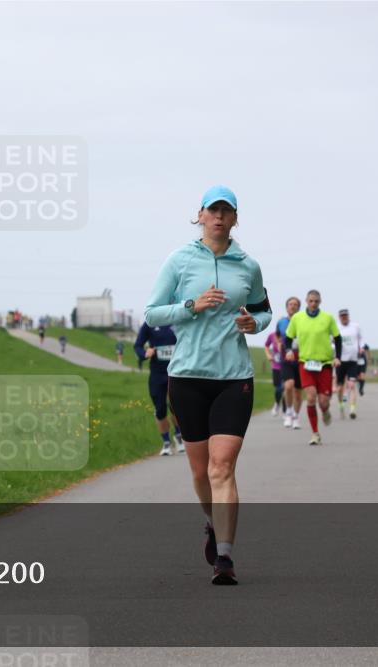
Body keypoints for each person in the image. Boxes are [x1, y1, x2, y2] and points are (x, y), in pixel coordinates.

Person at [144, 185, 272, 585]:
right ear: (199, 215)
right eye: (212, 210)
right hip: (187, 378)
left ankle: (225, 559)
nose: (219, 217)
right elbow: (151, 314)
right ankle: (213, 525)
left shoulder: (247, 265)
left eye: (226, 211)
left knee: (222, 467)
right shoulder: (179, 260)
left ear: (235, 218)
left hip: (234, 377)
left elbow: (264, 310)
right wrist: (190, 306)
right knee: (201, 473)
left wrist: (256, 324)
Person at [284, 290, 341, 445]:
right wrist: (289, 351)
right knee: (310, 397)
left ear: (320, 301)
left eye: (316, 301)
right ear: (307, 301)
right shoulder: (297, 318)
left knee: (323, 401)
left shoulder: (327, 318)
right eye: (311, 301)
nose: (313, 304)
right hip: (305, 363)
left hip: (325, 364)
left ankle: (325, 411)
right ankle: (315, 433)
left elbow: (337, 338)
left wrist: (337, 357)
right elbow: (288, 337)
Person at [133, 322, 185, 456]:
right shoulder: (150, 324)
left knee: (176, 405)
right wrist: (145, 352)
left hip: (177, 371)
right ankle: (166, 443)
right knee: (160, 409)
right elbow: (137, 345)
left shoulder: (178, 320)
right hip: (157, 373)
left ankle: (179, 437)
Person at [277, 297, 303, 429]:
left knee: (298, 392)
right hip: (286, 359)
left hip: (301, 359)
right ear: (287, 307)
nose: (293, 306)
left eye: (295, 305)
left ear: (299, 307)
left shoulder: (303, 321)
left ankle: (297, 416)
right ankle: (288, 412)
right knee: (288, 386)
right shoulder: (281, 322)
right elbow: (277, 335)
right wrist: (278, 344)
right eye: (290, 304)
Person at [335, 309, 363, 419]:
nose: (344, 317)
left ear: (348, 316)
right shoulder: (336, 328)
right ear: (339, 317)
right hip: (340, 360)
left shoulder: (355, 326)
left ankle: (352, 409)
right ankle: (341, 405)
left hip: (353, 360)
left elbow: (361, 339)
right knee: (340, 387)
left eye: (345, 315)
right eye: (342, 316)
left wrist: (361, 347)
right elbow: (331, 342)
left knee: (352, 385)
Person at [264, 328, 285, 416]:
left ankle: (286, 411)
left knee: (285, 388)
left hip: (286, 366)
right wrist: (268, 355)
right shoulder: (272, 335)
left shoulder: (288, 336)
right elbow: (266, 346)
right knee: (278, 388)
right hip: (276, 367)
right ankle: (277, 404)